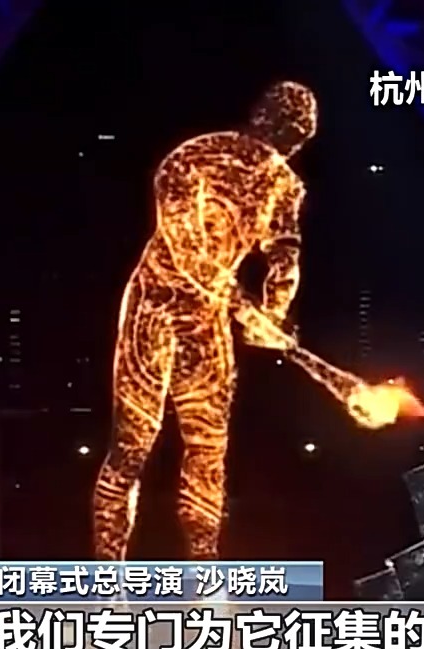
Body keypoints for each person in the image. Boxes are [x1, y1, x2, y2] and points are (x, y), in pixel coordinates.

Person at [93, 81, 316, 562]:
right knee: (133, 444)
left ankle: (205, 576)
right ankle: (109, 578)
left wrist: (273, 313)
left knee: (208, 453)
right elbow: (183, 244)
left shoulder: (284, 186)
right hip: (154, 306)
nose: (288, 147)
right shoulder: (191, 160)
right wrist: (240, 303)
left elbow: (284, 258)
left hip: (206, 324)